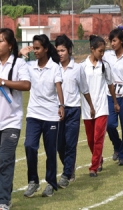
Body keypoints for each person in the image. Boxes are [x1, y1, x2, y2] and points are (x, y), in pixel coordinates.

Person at [22, 34, 65, 198]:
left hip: (50, 115)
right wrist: (20, 54)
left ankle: (51, 184)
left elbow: (58, 87)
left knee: (49, 151)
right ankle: (33, 182)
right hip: (33, 113)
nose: (35, 51)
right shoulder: (29, 66)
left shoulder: (55, 67)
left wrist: (61, 105)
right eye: (34, 48)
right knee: (29, 146)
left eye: (38, 48)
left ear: (46, 49)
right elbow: (12, 65)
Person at [55, 34, 95, 186]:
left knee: (71, 144)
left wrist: (91, 106)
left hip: (73, 110)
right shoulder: (54, 67)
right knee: (59, 145)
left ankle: (66, 175)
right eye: (58, 50)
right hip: (57, 112)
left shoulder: (78, 69)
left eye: (63, 50)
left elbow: (84, 90)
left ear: (69, 50)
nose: (60, 54)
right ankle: (69, 168)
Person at [0, 28, 31, 210]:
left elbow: (26, 85)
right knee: (5, 161)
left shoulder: (18, 64)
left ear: (10, 45)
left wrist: (3, 82)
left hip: (11, 121)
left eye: (1, 40)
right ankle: (5, 193)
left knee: (4, 159)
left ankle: (3, 201)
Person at [81, 35, 119, 177]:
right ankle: (99, 158)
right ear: (92, 49)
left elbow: (110, 85)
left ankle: (94, 167)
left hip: (102, 107)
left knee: (98, 138)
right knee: (90, 140)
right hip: (87, 108)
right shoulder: (82, 67)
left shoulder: (105, 65)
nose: (102, 54)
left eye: (104, 51)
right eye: (100, 51)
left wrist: (115, 102)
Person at [103, 28, 123, 166]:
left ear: (121, 41)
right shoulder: (107, 56)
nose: (112, 43)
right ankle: (117, 145)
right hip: (110, 96)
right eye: (111, 41)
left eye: (115, 40)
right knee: (109, 124)